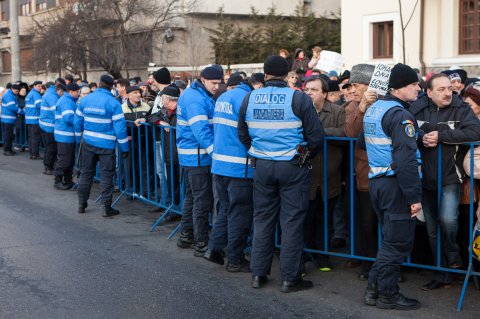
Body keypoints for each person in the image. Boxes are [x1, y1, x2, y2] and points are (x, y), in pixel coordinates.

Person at [238, 55, 324, 292]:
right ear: (287, 75)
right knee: (292, 222)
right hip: (292, 165)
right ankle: (290, 278)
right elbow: (316, 137)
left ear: (265, 75)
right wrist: (304, 156)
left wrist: (258, 150)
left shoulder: (250, 97)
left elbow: (242, 134)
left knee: (263, 220)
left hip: (262, 165)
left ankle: (258, 274)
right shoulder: (297, 98)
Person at [410, 73, 480, 291]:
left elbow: (476, 131)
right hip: (424, 179)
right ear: (429, 92)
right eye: (441, 89)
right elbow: (407, 128)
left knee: (448, 220)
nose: (447, 92)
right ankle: (442, 273)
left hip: (450, 177)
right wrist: (420, 136)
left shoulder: (461, 108)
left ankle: (452, 254)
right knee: (431, 230)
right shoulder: (417, 107)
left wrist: (441, 135)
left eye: (449, 88)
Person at [362, 63, 422, 310]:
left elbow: (361, 143)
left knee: (389, 241)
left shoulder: (375, 109)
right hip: (395, 185)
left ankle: (374, 290)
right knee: (397, 243)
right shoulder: (400, 115)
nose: (419, 88)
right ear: (401, 88)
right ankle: (388, 294)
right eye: (414, 84)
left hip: (377, 182)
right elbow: (405, 160)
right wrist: (414, 197)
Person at [203, 73, 264, 272]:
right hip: (239, 167)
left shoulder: (223, 97)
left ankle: (214, 249)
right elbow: (254, 133)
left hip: (219, 165)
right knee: (240, 215)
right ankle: (235, 260)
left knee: (225, 210)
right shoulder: (248, 99)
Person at [176, 66, 222, 256]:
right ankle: (201, 242)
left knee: (192, 198)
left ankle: (187, 235)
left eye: (219, 83)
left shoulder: (195, 95)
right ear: (203, 80)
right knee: (201, 201)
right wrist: (215, 154)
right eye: (214, 83)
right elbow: (201, 130)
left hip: (191, 156)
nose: (217, 87)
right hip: (197, 156)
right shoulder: (195, 99)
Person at [303, 76, 346, 271]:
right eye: (307, 89)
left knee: (325, 219)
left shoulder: (337, 111)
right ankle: (303, 256)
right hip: (306, 177)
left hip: (330, 177)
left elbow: (344, 133)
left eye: (313, 89)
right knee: (306, 219)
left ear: (324, 93)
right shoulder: (301, 110)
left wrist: (318, 131)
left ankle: (323, 257)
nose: (309, 93)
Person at [74, 74, 129, 217]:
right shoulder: (113, 103)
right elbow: (120, 128)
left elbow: (77, 121)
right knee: (106, 176)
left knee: (86, 174)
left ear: (99, 84)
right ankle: (106, 208)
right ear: (111, 86)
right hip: (106, 146)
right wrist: (124, 148)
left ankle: (81, 204)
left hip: (88, 142)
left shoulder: (85, 100)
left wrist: (79, 136)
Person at [343, 64, 379, 279]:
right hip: (365, 174)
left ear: (370, 85)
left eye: (356, 85)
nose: (352, 89)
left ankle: (392, 267)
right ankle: (369, 266)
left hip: (390, 173)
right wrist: (362, 108)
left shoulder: (387, 103)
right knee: (368, 224)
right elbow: (350, 132)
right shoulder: (351, 106)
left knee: (388, 224)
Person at [54, 83, 81, 190]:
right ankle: (58, 181)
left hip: (66, 135)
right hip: (65, 135)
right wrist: (80, 121)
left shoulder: (68, 100)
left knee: (69, 160)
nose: (78, 94)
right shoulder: (66, 101)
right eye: (77, 92)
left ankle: (68, 181)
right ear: (71, 92)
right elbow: (69, 118)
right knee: (64, 160)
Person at [39, 80, 65, 175]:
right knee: (51, 147)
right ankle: (49, 167)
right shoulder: (52, 96)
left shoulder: (50, 93)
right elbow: (56, 111)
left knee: (49, 147)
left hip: (46, 124)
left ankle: (49, 165)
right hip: (49, 126)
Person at [24, 80, 43, 159]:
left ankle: (32, 154)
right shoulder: (36, 94)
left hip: (29, 119)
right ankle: (35, 154)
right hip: (35, 119)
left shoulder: (29, 94)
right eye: (38, 86)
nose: (40, 88)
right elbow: (39, 105)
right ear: (34, 86)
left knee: (31, 137)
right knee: (35, 138)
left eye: (41, 86)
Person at [1, 83, 20, 156]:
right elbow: (12, 107)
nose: (17, 93)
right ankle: (7, 150)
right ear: (12, 89)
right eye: (16, 91)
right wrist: (20, 111)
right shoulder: (8, 95)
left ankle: (8, 149)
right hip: (8, 119)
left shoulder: (10, 94)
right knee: (8, 135)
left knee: (9, 135)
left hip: (9, 118)